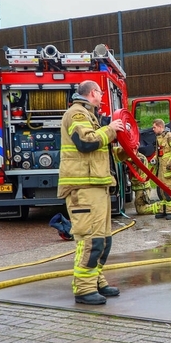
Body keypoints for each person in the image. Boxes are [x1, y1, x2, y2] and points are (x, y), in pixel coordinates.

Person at [58, 80, 125, 305]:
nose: (102, 96)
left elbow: (97, 151)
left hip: (96, 185)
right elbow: (85, 142)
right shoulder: (76, 114)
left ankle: (96, 281)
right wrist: (110, 130)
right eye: (100, 92)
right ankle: (84, 288)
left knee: (104, 240)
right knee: (91, 240)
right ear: (93, 92)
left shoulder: (90, 116)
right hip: (83, 188)